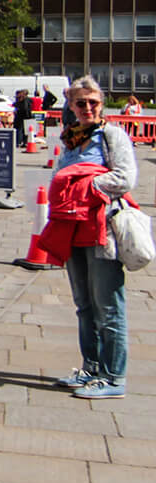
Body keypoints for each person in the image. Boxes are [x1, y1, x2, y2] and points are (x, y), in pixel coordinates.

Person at [50, 77, 138, 398]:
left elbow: (126, 178)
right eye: (80, 103)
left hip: (102, 231)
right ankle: (91, 367)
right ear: (71, 106)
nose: (87, 108)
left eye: (93, 103)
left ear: (101, 104)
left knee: (108, 307)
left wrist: (84, 186)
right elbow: (60, 176)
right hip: (73, 229)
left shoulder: (112, 135)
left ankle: (114, 377)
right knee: (84, 305)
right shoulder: (72, 138)